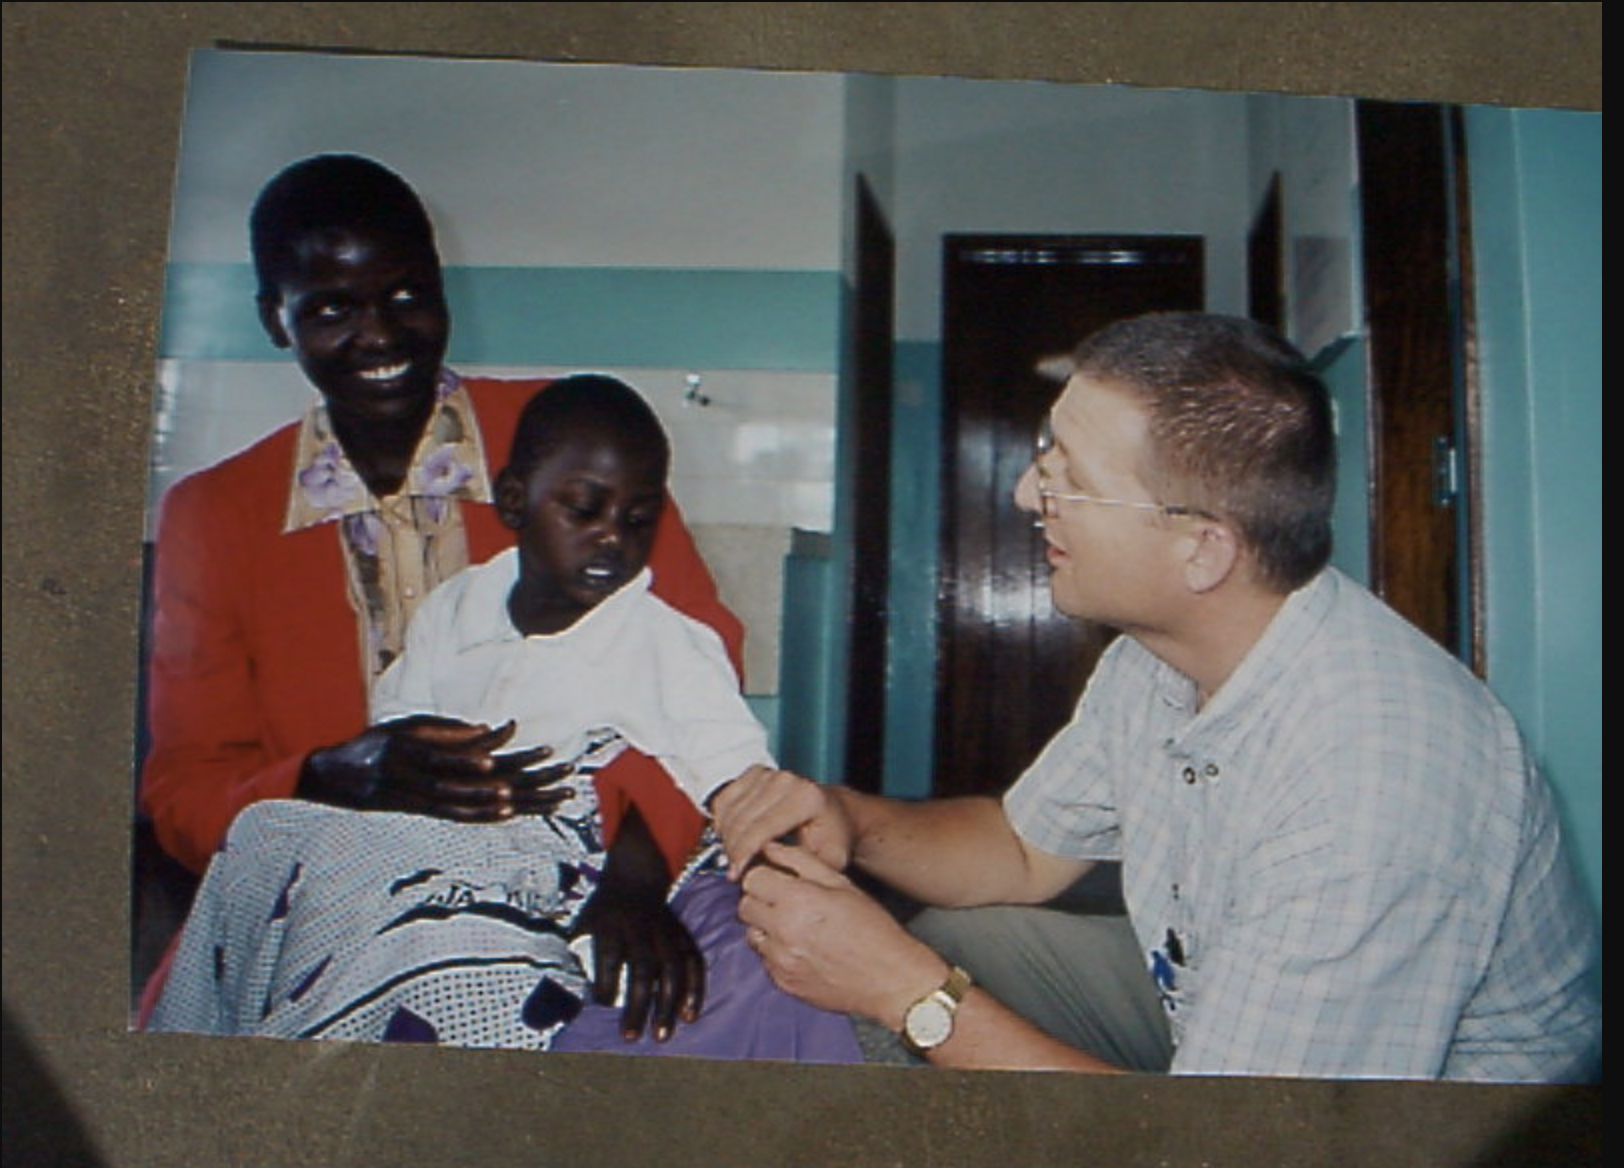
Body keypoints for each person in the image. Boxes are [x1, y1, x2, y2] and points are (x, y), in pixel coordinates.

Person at [714, 312, 1602, 1082]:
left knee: (913, 977)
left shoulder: (1370, 794)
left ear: (1203, 550)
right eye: (1042, 454)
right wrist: (846, 819)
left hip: (1424, 1118)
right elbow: (1022, 852)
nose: (1029, 493)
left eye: (1069, 474)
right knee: (961, 936)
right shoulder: (1168, 651)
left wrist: (906, 992)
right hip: (1215, 995)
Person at [138, 154, 742, 1034]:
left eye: (408, 295)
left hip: (601, 864)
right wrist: (326, 775)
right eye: (333, 308)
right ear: (277, 318)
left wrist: (635, 878)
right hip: (331, 896)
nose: (381, 335)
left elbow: (695, 677)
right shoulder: (214, 516)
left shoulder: (572, 445)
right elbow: (186, 793)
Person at [149, 375, 861, 1060]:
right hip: (438, 824)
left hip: (563, 845)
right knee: (271, 834)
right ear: (515, 502)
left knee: (442, 950)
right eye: (584, 512)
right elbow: (401, 722)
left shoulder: (663, 640)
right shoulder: (456, 606)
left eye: (637, 521)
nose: (613, 539)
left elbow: (736, 776)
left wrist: (765, 858)